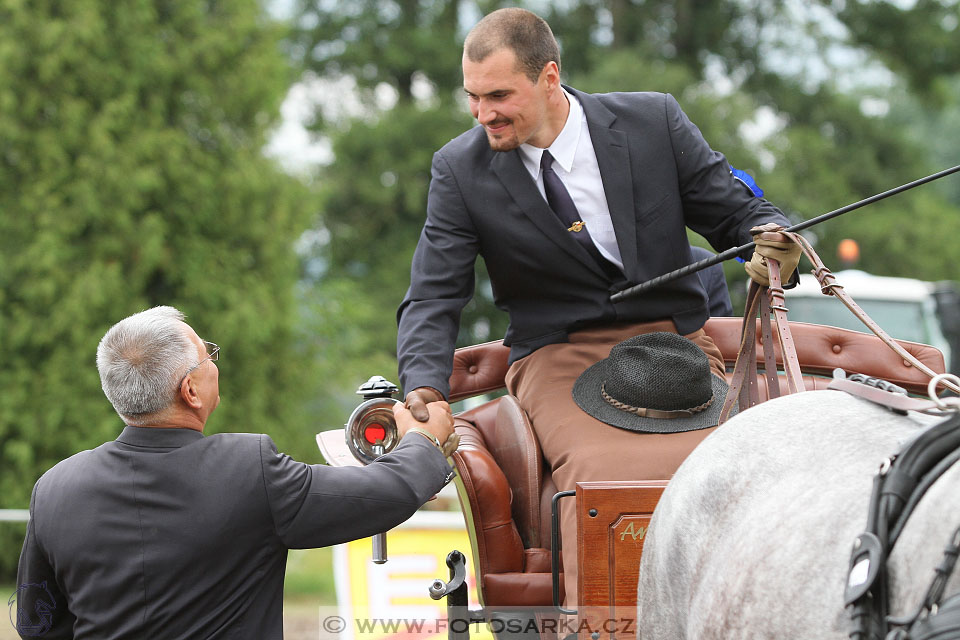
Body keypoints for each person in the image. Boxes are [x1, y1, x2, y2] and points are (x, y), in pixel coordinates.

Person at [395, 7, 801, 605]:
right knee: (599, 481)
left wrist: (773, 239)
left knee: (734, 470)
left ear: (550, 78)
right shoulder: (459, 169)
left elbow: (733, 212)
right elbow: (435, 291)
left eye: (499, 95)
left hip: (675, 341)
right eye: (473, 98)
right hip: (554, 354)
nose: (484, 114)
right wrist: (424, 389)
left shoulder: (653, 121)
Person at [14, 306, 455, 639]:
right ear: (190, 390)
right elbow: (382, 493)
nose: (215, 365)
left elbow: (37, 623)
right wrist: (424, 439)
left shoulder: (54, 488)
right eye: (209, 357)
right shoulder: (249, 470)